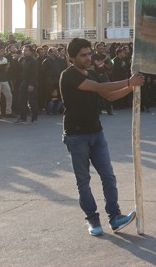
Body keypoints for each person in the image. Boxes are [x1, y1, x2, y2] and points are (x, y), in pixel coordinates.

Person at [60, 37, 144, 236]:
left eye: (89, 54)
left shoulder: (91, 75)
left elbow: (110, 95)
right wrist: (128, 81)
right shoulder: (69, 75)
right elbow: (99, 88)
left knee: (108, 176)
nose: (88, 58)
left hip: (96, 132)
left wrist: (132, 87)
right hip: (76, 135)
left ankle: (115, 217)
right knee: (84, 181)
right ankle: (92, 220)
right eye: (83, 55)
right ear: (72, 58)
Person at [0, 45, 14, 119]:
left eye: (3, 50)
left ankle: (8, 112)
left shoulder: (5, 59)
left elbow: (6, 70)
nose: (3, 52)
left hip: (4, 80)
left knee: (9, 96)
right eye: (1, 51)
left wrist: (7, 68)